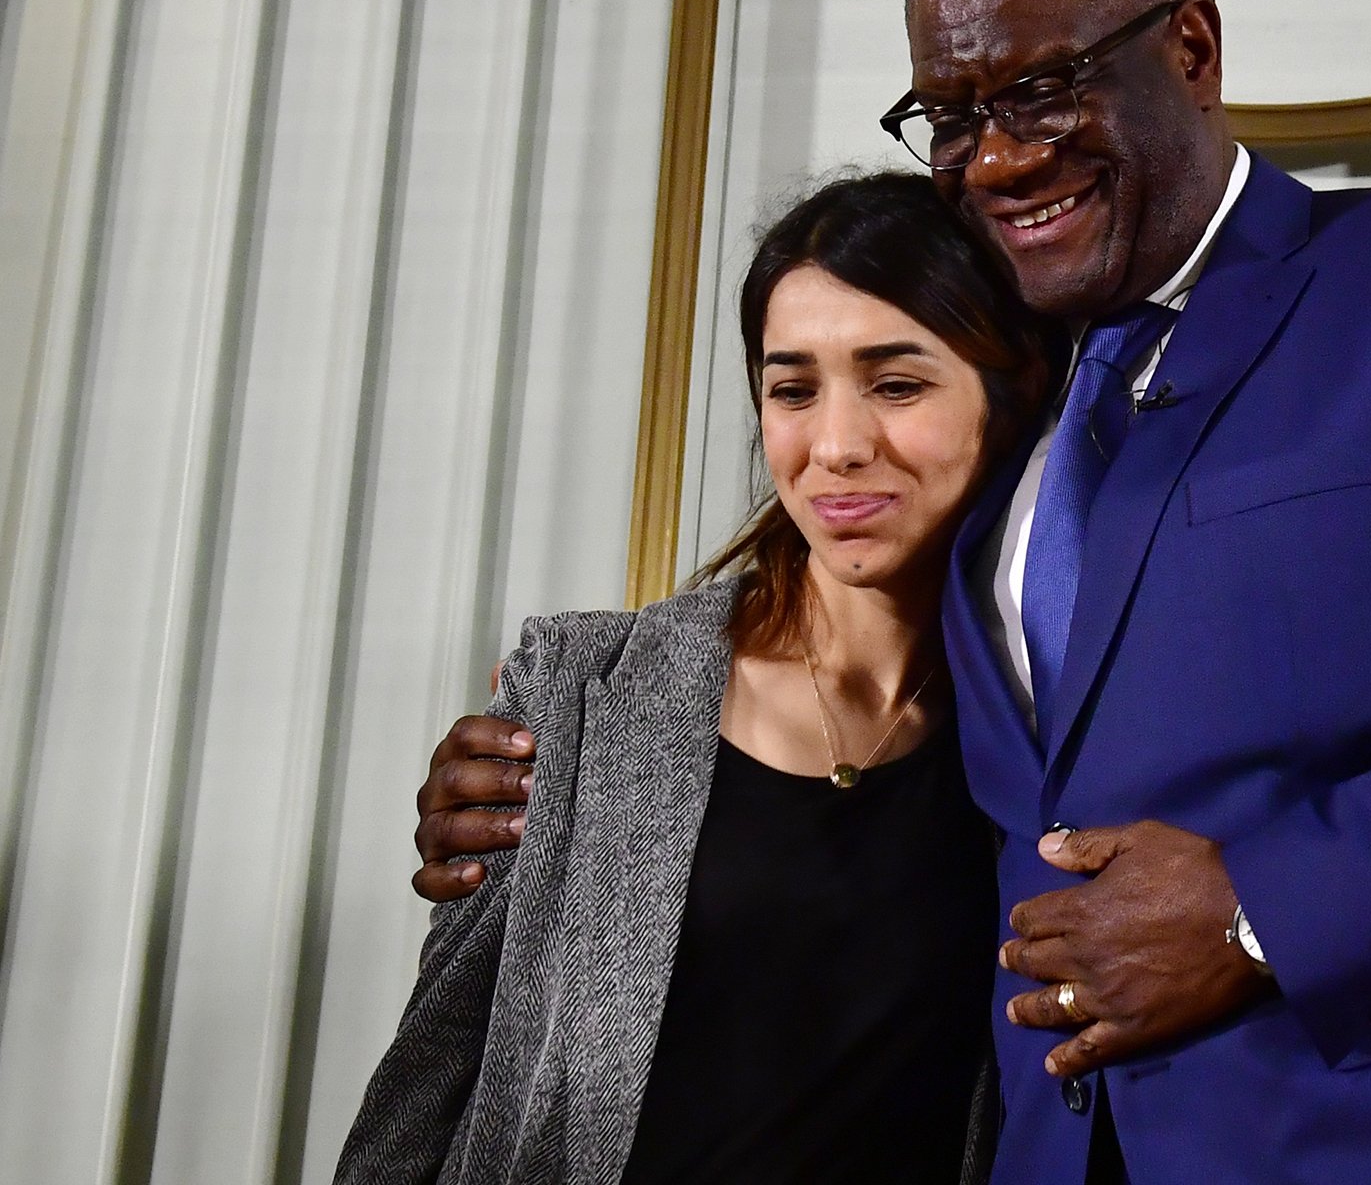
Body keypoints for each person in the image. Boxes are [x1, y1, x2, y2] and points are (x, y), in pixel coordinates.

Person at [413, 0, 1371, 1185]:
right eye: (953, 114)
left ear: (1191, 50)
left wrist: (1280, 907)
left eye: (1043, 87)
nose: (998, 158)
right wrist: (573, 761)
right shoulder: (1016, 390)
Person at [338, 173, 1060, 1183]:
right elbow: (428, 1077)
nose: (837, 446)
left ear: (1013, 386)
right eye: (793, 388)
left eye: (896, 383)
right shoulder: (582, 691)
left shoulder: (1049, 731)